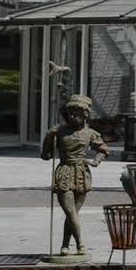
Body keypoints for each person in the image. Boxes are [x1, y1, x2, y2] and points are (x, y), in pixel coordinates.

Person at [41, 93, 108, 256]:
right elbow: (45, 155)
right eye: (69, 113)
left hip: (81, 173)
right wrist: (49, 137)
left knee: (73, 214)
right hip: (64, 172)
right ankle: (80, 245)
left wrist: (95, 161)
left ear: (84, 115)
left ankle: (65, 246)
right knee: (70, 212)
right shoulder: (59, 131)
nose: (72, 116)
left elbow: (104, 150)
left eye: (76, 114)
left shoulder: (90, 133)